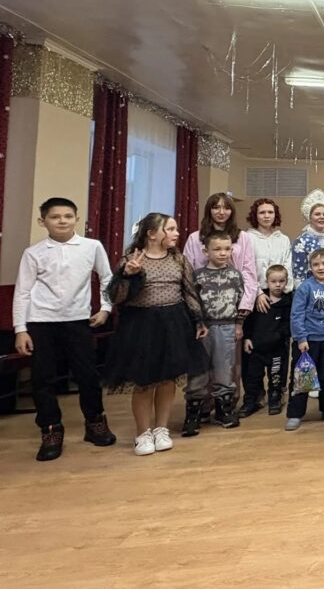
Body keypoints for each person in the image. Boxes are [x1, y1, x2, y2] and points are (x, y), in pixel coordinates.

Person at [13, 197, 116, 461]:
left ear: (76, 219)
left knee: (88, 375)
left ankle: (95, 422)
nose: (62, 221)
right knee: (43, 378)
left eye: (68, 216)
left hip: (78, 320)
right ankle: (50, 429)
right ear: (43, 221)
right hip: (41, 322)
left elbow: (107, 278)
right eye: (55, 217)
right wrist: (20, 329)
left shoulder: (92, 247)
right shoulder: (33, 253)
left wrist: (106, 308)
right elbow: (22, 292)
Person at [104, 213, 206, 456]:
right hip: (142, 326)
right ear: (151, 234)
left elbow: (189, 291)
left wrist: (198, 319)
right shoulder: (131, 259)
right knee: (144, 381)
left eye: (176, 229)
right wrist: (128, 274)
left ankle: (161, 429)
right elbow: (117, 297)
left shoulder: (179, 260)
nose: (176, 233)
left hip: (173, 323)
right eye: (169, 229)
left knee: (168, 379)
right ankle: (142, 433)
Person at [183, 230, 247, 435]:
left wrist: (239, 324)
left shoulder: (235, 275)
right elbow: (191, 302)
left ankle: (224, 409)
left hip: (227, 327)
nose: (223, 253)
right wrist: (196, 323)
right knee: (199, 371)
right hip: (203, 328)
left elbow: (240, 301)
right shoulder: (198, 276)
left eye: (227, 249)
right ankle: (194, 412)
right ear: (206, 251)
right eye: (217, 249)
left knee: (224, 368)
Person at [285, 248, 324, 430]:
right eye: (316, 264)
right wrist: (301, 337)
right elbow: (296, 315)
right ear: (310, 267)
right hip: (307, 342)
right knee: (302, 377)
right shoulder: (305, 287)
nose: (321, 267)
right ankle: (295, 414)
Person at [182, 192, 258, 315]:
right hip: (203, 301)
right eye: (216, 207)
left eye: (226, 208)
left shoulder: (243, 237)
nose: (221, 212)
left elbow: (249, 272)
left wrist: (245, 304)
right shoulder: (195, 238)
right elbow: (187, 274)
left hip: (234, 301)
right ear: (209, 210)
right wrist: (194, 306)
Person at [240, 264, 292, 417]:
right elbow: (248, 321)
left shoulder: (288, 303)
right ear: (267, 282)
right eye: (273, 281)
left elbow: (288, 325)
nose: (277, 285)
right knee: (253, 377)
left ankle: (275, 399)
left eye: (281, 281)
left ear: (286, 282)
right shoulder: (259, 301)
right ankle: (251, 401)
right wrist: (247, 338)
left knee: (276, 377)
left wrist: (280, 337)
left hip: (277, 349)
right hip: (256, 348)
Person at [245, 198, 293, 306]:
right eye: (262, 212)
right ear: (255, 215)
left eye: (270, 212)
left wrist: (283, 290)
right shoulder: (247, 238)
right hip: (257, 294)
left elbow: (288, 267)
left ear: (275, 215)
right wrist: (258, 293)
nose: (266, 216)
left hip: (281, 293)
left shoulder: (283, 239)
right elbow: (247, 270)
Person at [291, 189, 324, 286]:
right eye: (317, 214)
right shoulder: (301, 242)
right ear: (310, 217)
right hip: (312, 288)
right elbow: (299, 274)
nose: (322, 217)